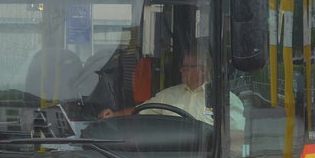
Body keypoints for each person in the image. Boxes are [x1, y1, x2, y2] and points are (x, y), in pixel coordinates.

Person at [100, 51, 244, 135]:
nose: (181, 70)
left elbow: (237, 138)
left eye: (188, 67)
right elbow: (140, 111)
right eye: (183, 66)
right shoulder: (168, 95)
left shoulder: (224, 99)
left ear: (203, 70)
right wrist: (114, 115)